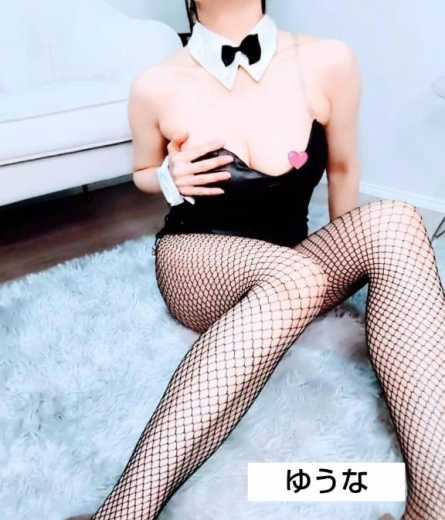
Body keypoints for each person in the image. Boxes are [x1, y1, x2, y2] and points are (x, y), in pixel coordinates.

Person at [68, 1, 445, 519]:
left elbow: (343, 168)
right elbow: (141, 172)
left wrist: (351, 263)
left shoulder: (327, 61)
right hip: (198, 260)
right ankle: (122, 513)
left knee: (396, 220)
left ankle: (434, 505)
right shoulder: (155, 84)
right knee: (294, 276)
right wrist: (165, 179)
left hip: (292, 258)